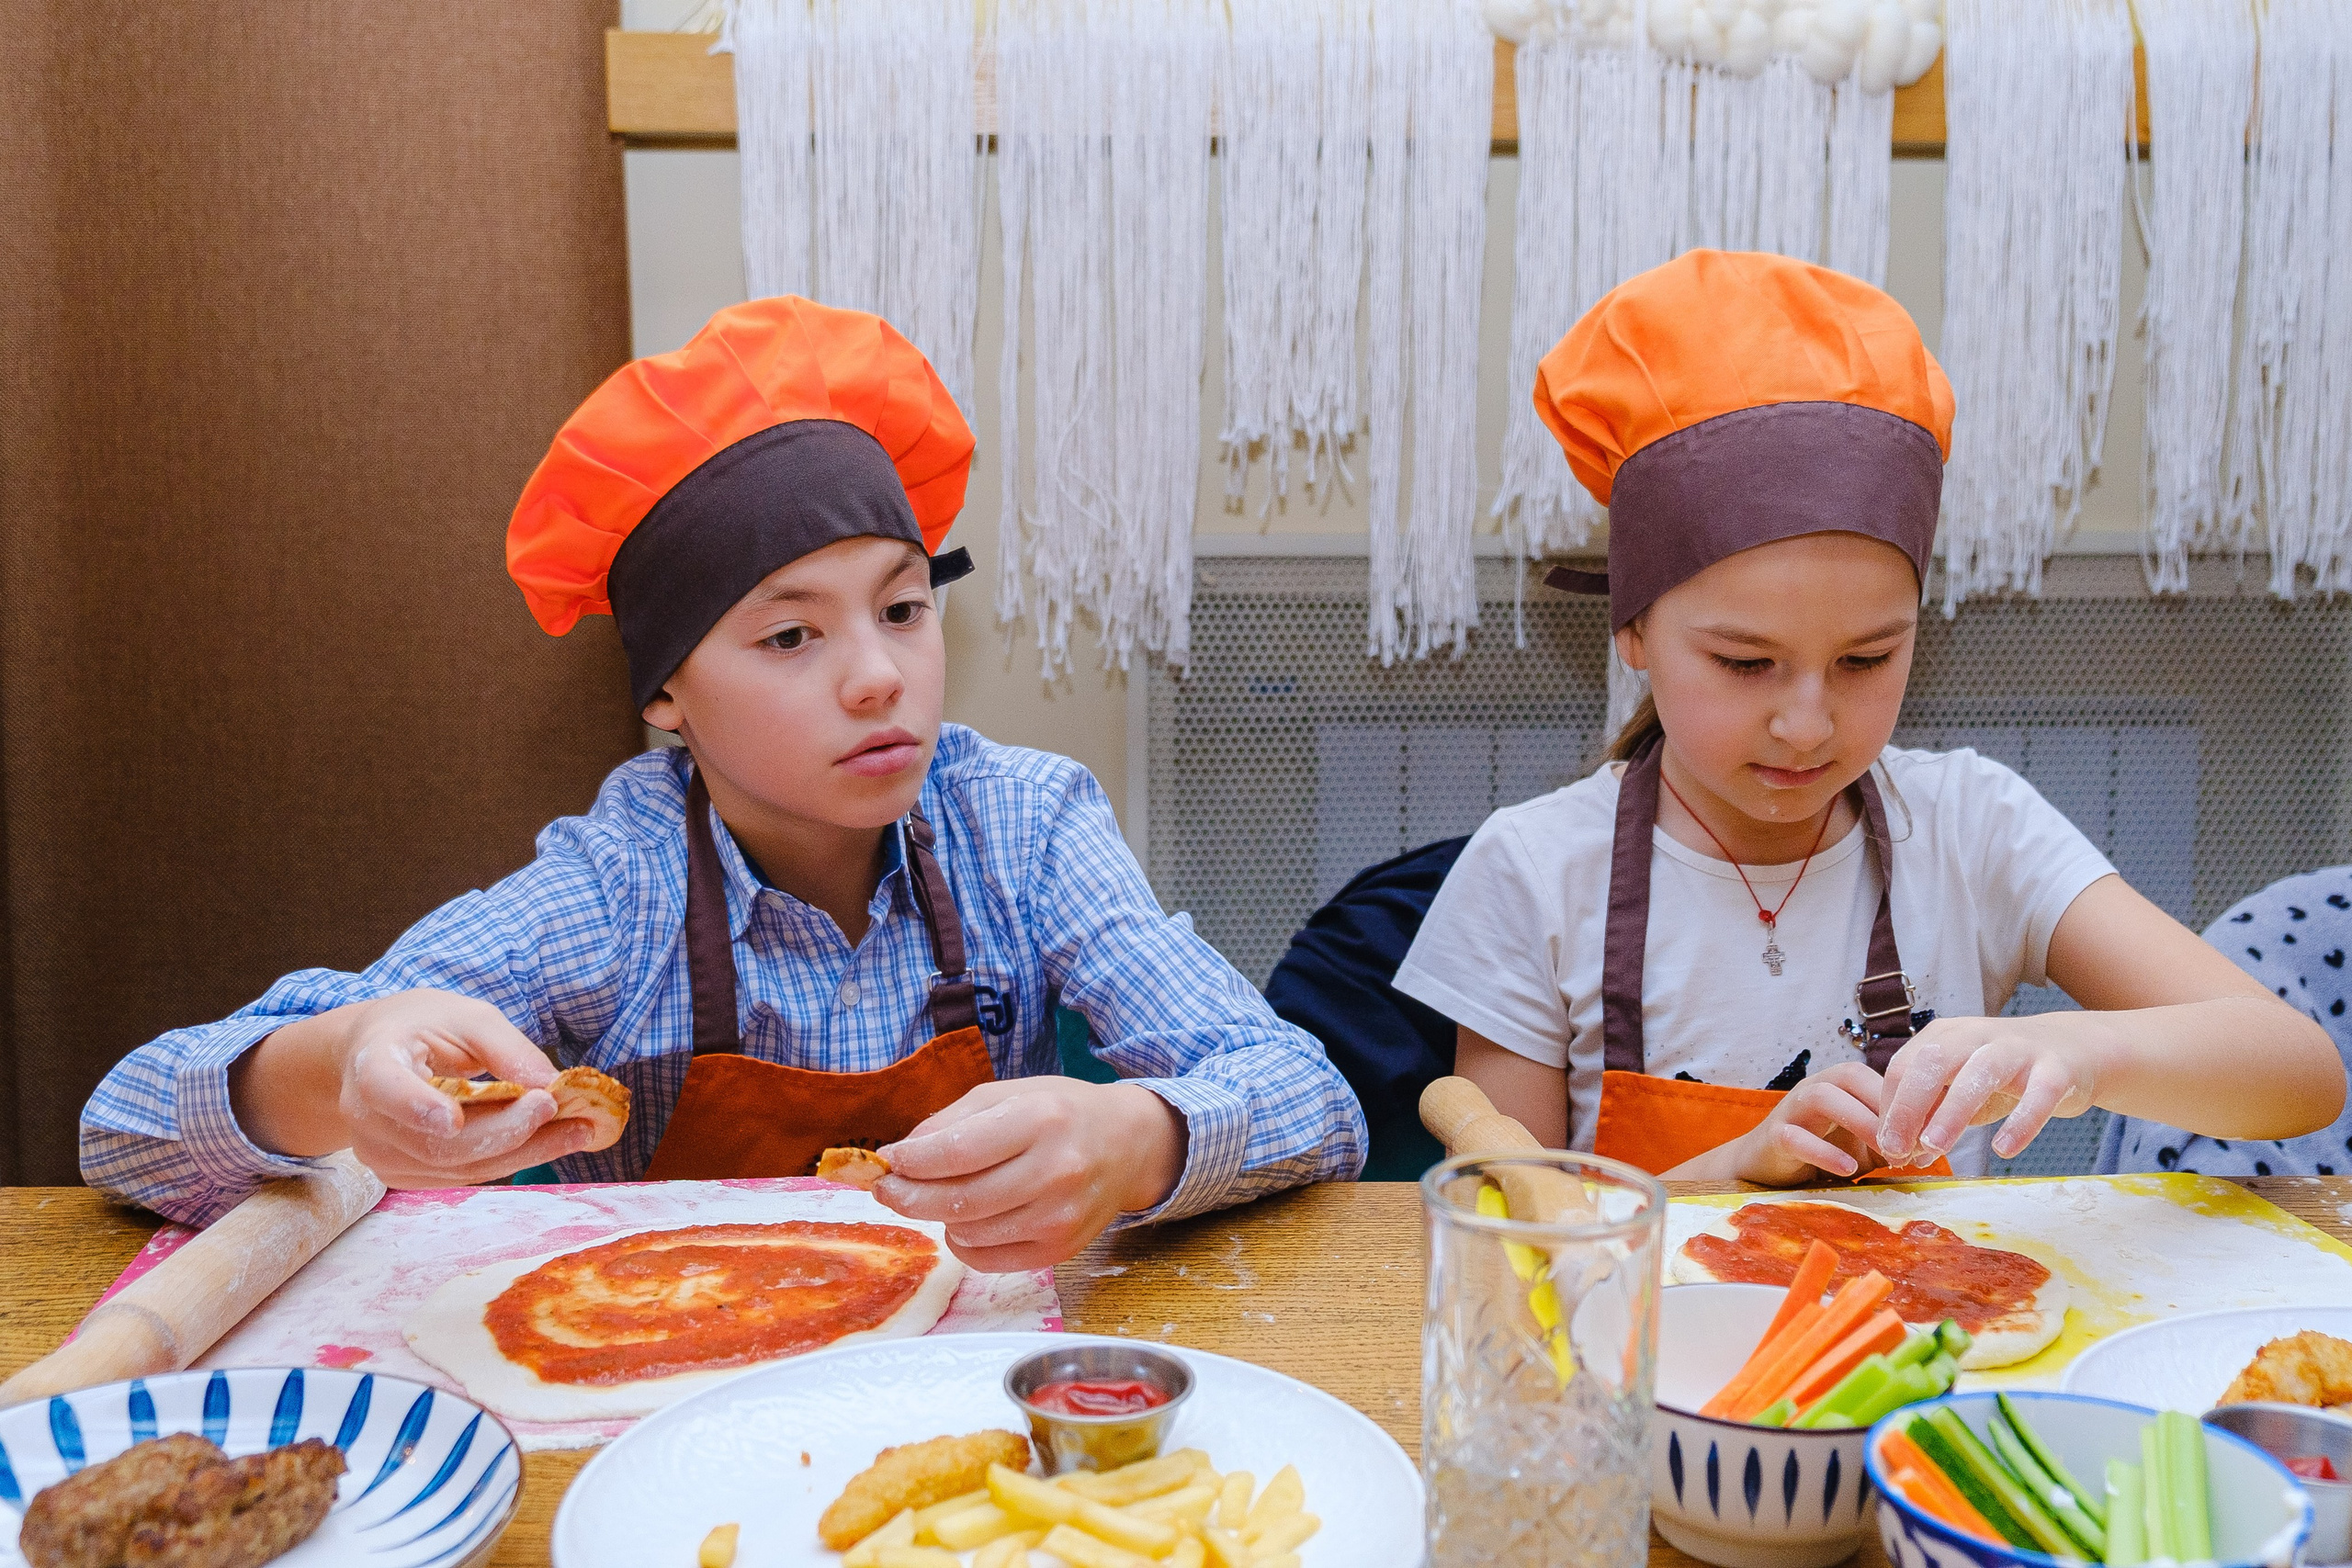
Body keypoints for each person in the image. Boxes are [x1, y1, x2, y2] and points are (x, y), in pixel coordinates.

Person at [82, 297, 1365, 1268]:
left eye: (905, 608)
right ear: (666, 697)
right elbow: (123, 1126)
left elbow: (1307, 1092)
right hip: (669, 1369)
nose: (878, 678)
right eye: (791, 634)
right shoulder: (616, 886)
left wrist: (1144, 1136)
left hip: (963, 1374)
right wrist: (341, 1061)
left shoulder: (1022, 824)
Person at [1394, 250, 2344, 1185]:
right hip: (1649, 1341)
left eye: (1866, 659)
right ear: (1633, 631)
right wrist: (1735, 1170)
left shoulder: (1974, 828)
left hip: (1940, 1340)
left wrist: (2076, 1050)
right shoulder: (1532, 874)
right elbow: (1510, 1238)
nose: (1807, 724)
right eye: (1744, 663)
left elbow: (2296, 1074)